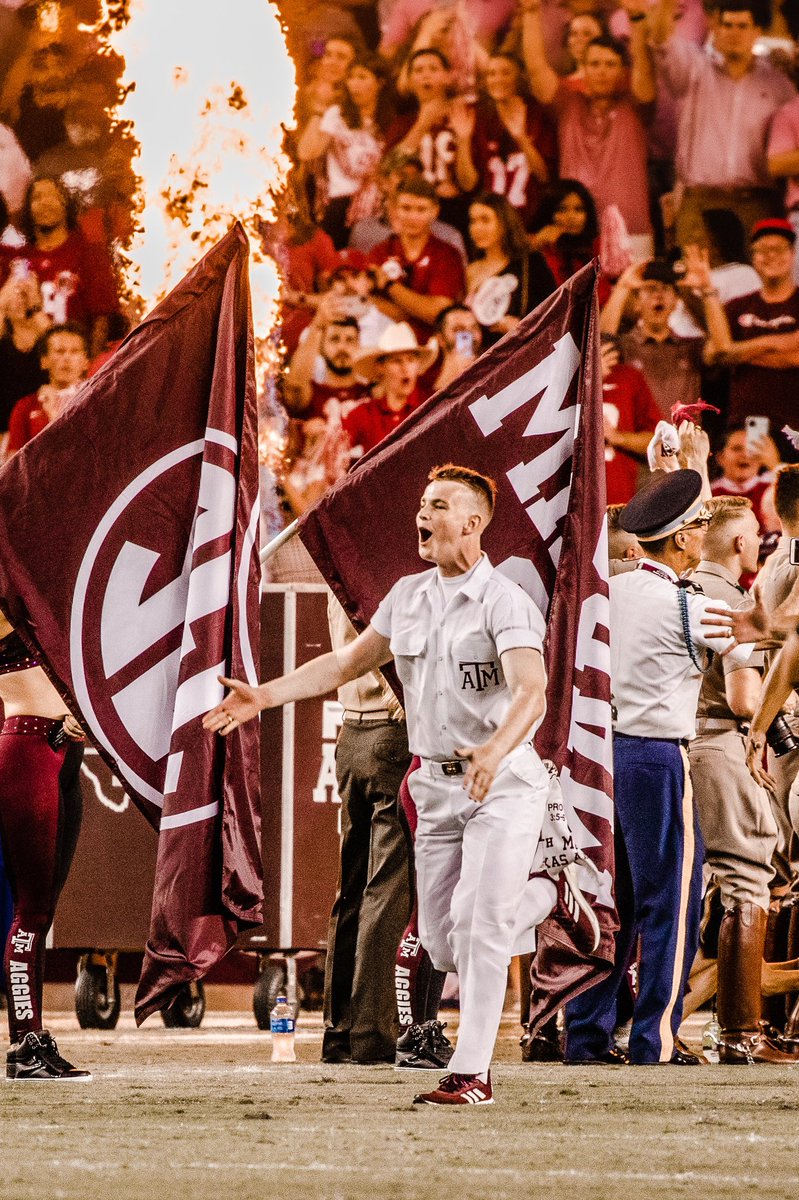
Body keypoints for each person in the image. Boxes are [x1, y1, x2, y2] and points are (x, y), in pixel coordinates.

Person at [205, 464, 552, 1106]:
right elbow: (345, 663)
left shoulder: (506, 601)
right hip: (435, 787)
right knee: (442, 943)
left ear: (473, 523)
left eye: (438, 504)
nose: (422, 513)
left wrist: (494, 749)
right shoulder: (408, 595)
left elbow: (533, 692)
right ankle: (549, 896)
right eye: (423, 502)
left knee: (480, 928)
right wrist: (265, 695)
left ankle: (471, 1073)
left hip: (502, 782)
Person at [564, 469, 754, 1065]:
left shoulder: (607, 593)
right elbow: (756, 652)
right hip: (657, 757)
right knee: (669, 901)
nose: (705, 533)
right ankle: (654, 1038)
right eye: (699, 525)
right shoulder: (691, 605)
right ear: (681, 539)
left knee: (606, 899)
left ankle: (586, 1034)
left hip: (599, 756)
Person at [688, 497, 796, 1063]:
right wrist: (768, 725)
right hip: (722, 746)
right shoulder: (731, 599)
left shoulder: (678, 587)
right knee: (748, 882)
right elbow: (744, 697)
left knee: (684, 893)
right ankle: (742, 1034)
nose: (759, 541)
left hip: (669, 748)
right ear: (738, 542)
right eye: (753, 532)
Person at [321, 597, 413, 1064]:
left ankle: (340, 1032)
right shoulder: (387, 572)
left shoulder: (337, 566)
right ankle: (375, 1032)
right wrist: (403, 693)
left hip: (352, 732)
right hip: (390, 730)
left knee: (353, 889)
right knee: (387, 888)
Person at [0, 612, 89, 1081]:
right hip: (28, 745)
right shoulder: (14, 590)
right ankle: (24, 1043)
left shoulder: (47, 584)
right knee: (30, 911)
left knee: (44, 909)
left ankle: (35, 1037)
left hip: (66, 751)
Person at [649, 0, 795, 246]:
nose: (734, 33)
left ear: (757, 31)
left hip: (758, 202)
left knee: (757, 271)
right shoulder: (694, 71)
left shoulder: (778, 85)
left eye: (742, 26)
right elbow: (662, 41)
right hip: (702, 202)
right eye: (727, 25)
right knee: (696, 271)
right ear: (715, 27)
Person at [521, 4, 655, 259]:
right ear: (583, 66)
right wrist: (530, 13)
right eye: (594, 64)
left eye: (610, 64)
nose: (602, 71)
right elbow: (536, 67)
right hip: (574, 232)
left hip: (631, 231)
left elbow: (644, 66)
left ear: (623, 70)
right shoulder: (567, 103)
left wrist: (637, 19)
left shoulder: (636, 106)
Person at [708, 219, 799, 461]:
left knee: (790, 484)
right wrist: (781, 345)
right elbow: (712, 353)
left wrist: (737, 353)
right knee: (755, 482)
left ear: (792, 254)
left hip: (794, 424)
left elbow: (796, 358)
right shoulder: (737, 306)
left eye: (778, 249)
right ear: (753, 256)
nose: (771, 256)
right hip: (750, 424)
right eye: (762, 250)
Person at [601, 253, 726, 419]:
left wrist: (707, 290)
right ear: (637, 303)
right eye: (651, 288)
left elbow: (722, 347)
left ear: (676, 302)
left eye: (666, 289)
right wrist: (623, 287)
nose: (658, 295)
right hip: (640, 436)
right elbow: (601, 341)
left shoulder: (691, 347)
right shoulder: (625, 346)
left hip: (685, 435)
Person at [4, 177, 118, 357]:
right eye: (37, 197)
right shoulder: (18, 260)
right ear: (28, 208)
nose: (45, 202)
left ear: (66, 205)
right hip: (25, 361)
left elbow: (102, 320)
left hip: (73, 361)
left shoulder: (88, 254)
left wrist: (91, 367)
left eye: (53, 196)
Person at [297, 53, 395, 249]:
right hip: (339, 206)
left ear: (380, 83)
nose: (354, 84)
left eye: (362, 77)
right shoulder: (337, 115)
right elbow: (306, 153)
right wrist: (320, 110)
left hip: (377, 208)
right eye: (351, 77)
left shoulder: (390, 121)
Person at [457, 52, 556, 231]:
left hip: (529, 223)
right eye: (491, 74)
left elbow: (544, 176)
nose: (498, 79)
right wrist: (463, 141)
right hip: (490, 225)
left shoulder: (537, 116)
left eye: (505, 72)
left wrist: (521, 138)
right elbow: (468, 184)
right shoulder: (480, 118)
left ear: (519, 77)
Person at [382, 48, 477, 228]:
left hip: (455, 210)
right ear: (410, 81)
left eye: (433, 69)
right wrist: (422, 124)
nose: (426, 75)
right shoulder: (403, 124)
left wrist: (463, 141)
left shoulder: (464, 116)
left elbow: (469, 184)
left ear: (448, 77)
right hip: (413, 211)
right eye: (418, 70)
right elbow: (388, 169)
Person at [367, 176, 466, 342]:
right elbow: (368, 304)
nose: (413, 217)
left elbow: (438, 313)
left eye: (421, 210)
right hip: (385, 346)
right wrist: (418, 310)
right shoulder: (380, 251)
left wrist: (390, 286)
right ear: (395, 210)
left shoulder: (447, 255)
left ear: (435, 211)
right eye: (406, 208)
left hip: (433, 347)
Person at [465, 192, 556, 347]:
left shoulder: (532, 263)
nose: (477, 228)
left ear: (505, 222)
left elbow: (554, 312)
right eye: (473, 221)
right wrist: (464, 354)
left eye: (485, 220)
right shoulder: (470, 270)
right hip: (482, 355)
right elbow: (461, 322)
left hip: (523, 352)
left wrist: (521, 327)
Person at [344, 321, 437, 455]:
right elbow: (334, 451)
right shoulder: (364, 414)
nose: (405, 368)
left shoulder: (433, 406)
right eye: (397, 361)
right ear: (381, 367)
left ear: (418, 365)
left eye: (410, 360)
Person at [5, 322, 88, 456]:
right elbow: (14, 460)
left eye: (74, 351)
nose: (66, 358)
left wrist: (53, 414)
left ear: (85, 361)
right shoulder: (26, 406)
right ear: (44, 361)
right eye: (59, 351)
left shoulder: (95, 401)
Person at [284, 298, 369, 420]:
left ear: (358, 346)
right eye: (334, 339)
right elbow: (294, 385)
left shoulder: (371, 393)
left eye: (350, 340)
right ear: (320, 348)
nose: (342, 347)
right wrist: (317, 326)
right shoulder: (310, 396)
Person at [600, 336, 661, 505]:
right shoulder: (565, 380)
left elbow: (657, 441)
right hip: (572, 496)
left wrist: (618, 438)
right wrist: (588, 380)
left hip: (619, 494)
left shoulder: (628, 377)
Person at [530, 178, 610, 304]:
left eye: (579, 209)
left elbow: (603, 295)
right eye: (562, 209)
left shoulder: (596, 246)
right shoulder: (539, 247)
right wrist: (537, 243)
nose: (571, 217)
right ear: (548, 212)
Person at [0, 262, 49, 438]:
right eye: (16, 295)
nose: (21, 301)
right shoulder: (3, 339)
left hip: (41, 426)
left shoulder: (44, 338)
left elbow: (55, 339)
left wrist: (35, 305)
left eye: (24, 295)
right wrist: (2, 302)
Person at [431, 303, 484, 391]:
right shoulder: (430, 393)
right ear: (441, 339)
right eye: (459, 329)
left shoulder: (494, 369)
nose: (469, 335)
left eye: (474, 328)